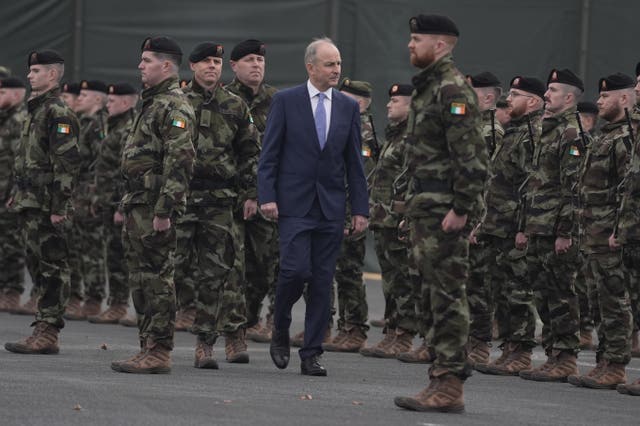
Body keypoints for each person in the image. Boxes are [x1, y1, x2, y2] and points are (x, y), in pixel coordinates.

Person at [393, 15, 488, 413]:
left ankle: (449, 385)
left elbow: (472, 158)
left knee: (447, 298)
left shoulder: (452, 89)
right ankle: (438, 379)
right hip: (426, 209)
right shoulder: (428, 88)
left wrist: (462, 210)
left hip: (444, 212)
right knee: (430, 297)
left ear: (442, 45)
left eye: (418, 39)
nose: (410, 45)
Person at [258, 37, 368, 377]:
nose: (336, 70)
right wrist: (267, 196)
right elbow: (270, 155)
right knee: (294, 271)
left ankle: (311, 353)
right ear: (311, 67)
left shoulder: (348, 107)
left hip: (331, 208)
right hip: (294, 205)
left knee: (322, 281)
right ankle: (281, 325)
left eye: (338, 63)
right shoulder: (286, 101)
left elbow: (354, 163)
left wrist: (360, 209)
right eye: (329, 64)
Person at [110, 36, 195, 374]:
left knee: (158, 279)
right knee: (141, 278)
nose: (140, 66)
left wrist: (165, 210)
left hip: (153, 209)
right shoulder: (151, 102)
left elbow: (181, 161)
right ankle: (147, 346)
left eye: (146, 61)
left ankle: (160, 350)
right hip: (137, 204)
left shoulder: (174, 105)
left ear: (166, 65)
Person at [178, 41, 259, 368]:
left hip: (220, 202)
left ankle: (205, 343)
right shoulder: (178, 102)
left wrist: (250, 193)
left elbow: (250, 153)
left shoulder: (235, 105)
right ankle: (165, 331)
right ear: (193, 67)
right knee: (176, 268)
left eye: (217, 61)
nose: (212, 66)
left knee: (217, 274)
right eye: (206, 62)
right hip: (182, 199)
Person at [4, 50, 80, 355]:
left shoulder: (58, 112)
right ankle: (42, 324)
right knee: (37, 265)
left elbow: (67, 162)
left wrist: (60, 206)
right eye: (30, 70)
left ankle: (49, 330)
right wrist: (15, 191)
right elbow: (26, 159)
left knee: (52, 266)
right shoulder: (35, 110)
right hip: (30, 200)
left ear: (52, 74)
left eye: (36, 71)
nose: (29, 76)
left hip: (48, 203)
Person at [567, 73, 636, 390]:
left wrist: (620, 229)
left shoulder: (624, 138)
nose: (598, 101)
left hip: (609, 232)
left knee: (614, 302)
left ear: (623, 100)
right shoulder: (606, 137)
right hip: (592, 231)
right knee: (596, 300)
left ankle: (617, 364)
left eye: (606, 97)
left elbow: (628, 190)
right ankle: (604, 362)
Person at [474, 76, 545, 376]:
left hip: (514, 225)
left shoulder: (532, 134)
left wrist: (523, 227)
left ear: (532, 102)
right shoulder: (514, 133)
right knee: (501, 290)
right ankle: (508, 348)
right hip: (497, 224)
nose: (509, 99)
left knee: (518, 291)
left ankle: (521, 350)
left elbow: (531, 185)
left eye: (515, 94)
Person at [518, 69, 586, 382]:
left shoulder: (571, 133)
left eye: (554, 90)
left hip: (556, 230)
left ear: (569, 98)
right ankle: (552, 354)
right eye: (547, 90)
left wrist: (565, 232)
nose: (547, 95)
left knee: (561, 293)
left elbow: (574, 188)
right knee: (542, 292)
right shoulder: (547, 130)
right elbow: (533, 184)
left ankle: (567, 356)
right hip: (538, 226)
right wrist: (525, 225)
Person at [360, 83, 419, 358]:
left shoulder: (411, 139)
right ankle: (392, 330)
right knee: (390, 280)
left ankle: (405, 335)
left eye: (395, 100)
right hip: (383, 219)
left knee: (403, 280)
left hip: (397, 221)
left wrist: (405, 216)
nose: (388, 105)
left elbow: (411, 181)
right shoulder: (394, 137)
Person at [226, 39, 279, 344]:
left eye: (260, 60)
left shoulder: (276, 100)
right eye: (249, 59)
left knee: (261, 265)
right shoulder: (223, 98)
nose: (256, 64)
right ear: (234, 66)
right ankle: (231, 328)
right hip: (228, 196)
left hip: (266, 197)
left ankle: (249, 319)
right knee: (230, 265)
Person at [322, 78, 375, 352]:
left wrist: (351, 214)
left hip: (349, 212)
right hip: (335, 209)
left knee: (349, 271)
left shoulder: (363, 130)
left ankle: (354, 328)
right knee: (336, 270)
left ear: (360, 103)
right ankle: (339, 326)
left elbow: (358, 178)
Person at [89, 83, 139, 324]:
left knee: (123, 256)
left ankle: (122, 304)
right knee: (113, 254)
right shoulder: (112, 126)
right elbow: (103, 168)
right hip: (108, 200)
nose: (107, 104)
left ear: (127, 102)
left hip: (121, 203)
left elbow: (127, 172)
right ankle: (116, 303)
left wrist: (121, 206)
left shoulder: (129, 129)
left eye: (112, 101)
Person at [464, 71, 504, 368]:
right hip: (464, 213)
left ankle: (479, 343)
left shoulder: (492, 132)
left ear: (488, 97)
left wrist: (481, 220)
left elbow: (490, 182)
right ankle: (468, 340)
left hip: (479, 216)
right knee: (466, 281)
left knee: (480, 283)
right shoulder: (471, 127)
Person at [65, 80, 109, 320]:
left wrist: (94, 194)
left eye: (84, 95)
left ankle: (94, 298)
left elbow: (100, 163)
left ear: (97, 99)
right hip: (76, 192)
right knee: (77, 247)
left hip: (89, 193)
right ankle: (78, 295)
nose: (78, 98)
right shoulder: (82, 123)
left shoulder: (99, 125)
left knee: (92, 248)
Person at [0, 77, 27, 312]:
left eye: (2, 93)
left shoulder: (19, 120)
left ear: (17, 95)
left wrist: (16, 191)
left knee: (11, 242)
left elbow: (21, 160)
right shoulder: (4, 119)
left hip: (10, 191)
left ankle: (13, 289)